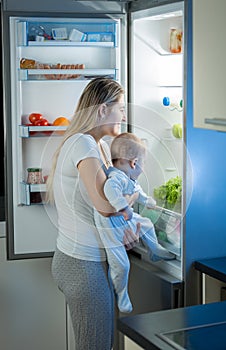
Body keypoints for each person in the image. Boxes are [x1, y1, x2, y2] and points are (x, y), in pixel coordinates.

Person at [46, 77, 140, 350]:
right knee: (95, 346)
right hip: (81, 265)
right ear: (102, 109)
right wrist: (132, 198)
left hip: (81, 259)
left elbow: (101, 208)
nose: (125, 114)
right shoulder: (83, 144)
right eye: (120, 108)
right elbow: (105, 205)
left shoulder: (95, 145)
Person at [94, 132, 175, 314]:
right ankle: (121, 294)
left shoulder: (127, 177)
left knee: (145, 223)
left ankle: (155, 251)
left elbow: (136, 190)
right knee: (121, 265)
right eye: (143, 163)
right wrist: (124, 207)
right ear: (134, 163)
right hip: (111, 227)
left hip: (123, 220)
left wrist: (147, 201)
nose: (143, 168)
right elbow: (110, 189)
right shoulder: (116, 177)